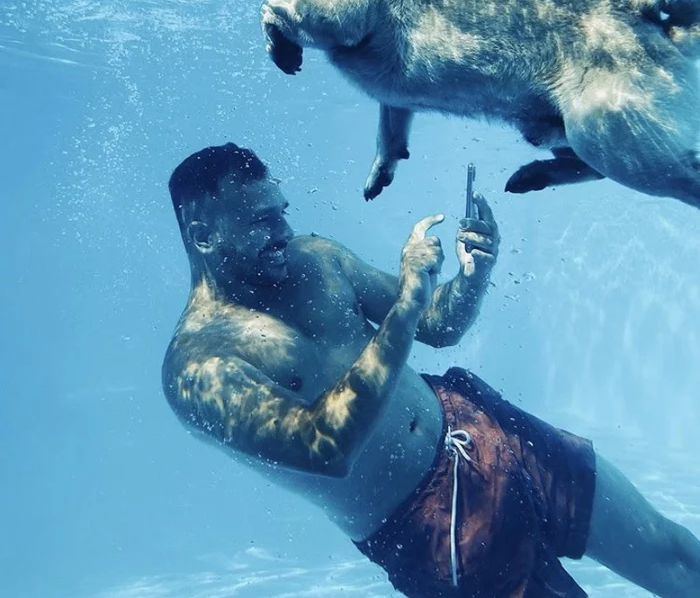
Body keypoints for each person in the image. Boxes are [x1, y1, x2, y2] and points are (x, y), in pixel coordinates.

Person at [162, 143, 700, 598]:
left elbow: (438, 325)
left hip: (477, 422)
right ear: (204, 235)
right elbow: (325, 446)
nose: (284, 228)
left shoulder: (316, 259)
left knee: (669, 552)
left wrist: (472, 273)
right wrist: (411, 296)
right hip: (430, 526)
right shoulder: (199, 365)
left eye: (281, 209)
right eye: (261, 221)